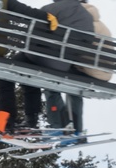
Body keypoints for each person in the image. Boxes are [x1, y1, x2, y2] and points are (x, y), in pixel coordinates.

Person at [0, 0, 92, 136]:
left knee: (6, 72)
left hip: (42, 58)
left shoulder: (51, 9)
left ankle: (7, 121)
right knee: (29, 74)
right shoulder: (86, 16)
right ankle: (31, 121)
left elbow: (33, 32)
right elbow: (88, 43)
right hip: (64, 64)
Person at [43, 2, 111, 139]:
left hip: (89, 70)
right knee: (74, 89)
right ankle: (77, 130)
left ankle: (57, 125)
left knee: (50, 81)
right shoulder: (99, 23)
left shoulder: (79, 20)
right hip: (103, 72)